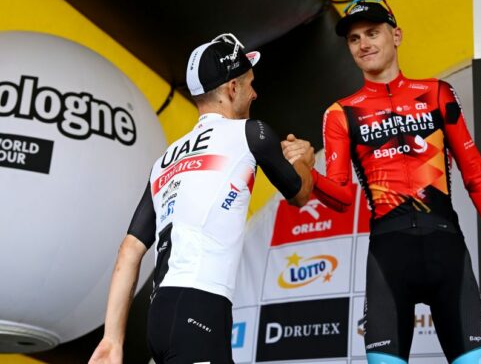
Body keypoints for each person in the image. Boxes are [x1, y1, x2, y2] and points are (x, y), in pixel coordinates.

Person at [282, 0, 481, 364]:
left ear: (396, 35)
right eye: (354, 38)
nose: (364, 43)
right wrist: (308, 172)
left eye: (373, 32)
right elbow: (344, 198)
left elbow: (475, 173)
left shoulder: (436, 94)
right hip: (389, 257)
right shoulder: (340, 114)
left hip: (447, 250)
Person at [89, 33, 314, 364]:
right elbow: (301, 194)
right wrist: (304, 160)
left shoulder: (165, 159)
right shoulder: (251, 133)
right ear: (232, 89)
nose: (255, 93)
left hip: (161, 316)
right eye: (250, 84)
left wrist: (111, 339)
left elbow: (130, 249)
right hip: (200, 308)